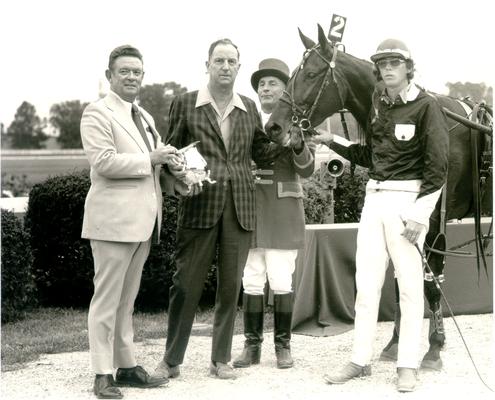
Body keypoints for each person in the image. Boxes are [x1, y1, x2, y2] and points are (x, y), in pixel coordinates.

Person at [313, 39, 449, 392]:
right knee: (368, 285)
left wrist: (421, 215)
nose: (388, 69)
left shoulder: (425, 105)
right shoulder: (378, 104)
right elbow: (369, 156)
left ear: (408, 68)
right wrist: (331, 140)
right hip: (374, 200)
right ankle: (359, 360)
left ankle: (407, 364)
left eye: (394, 63)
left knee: (409, 286)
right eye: (382, 64)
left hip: (408, 204)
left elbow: (438, 168)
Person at [152, 38, 288, 381]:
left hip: (240, 208)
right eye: (219, 61)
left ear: (239, 68)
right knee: (185, 286)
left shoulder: (249, 107)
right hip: (199, 205)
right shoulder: (184, 103)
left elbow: (261, 152)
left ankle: (221, 359)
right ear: (208, 65)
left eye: (231, 62)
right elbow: (172, 153)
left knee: (230, 288)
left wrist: (289, 140)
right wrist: (179, 173)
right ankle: (171, 361)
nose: (225, 67)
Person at [81, 45, 184, 399]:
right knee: (106, 300)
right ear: (110, 75)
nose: (131, 77)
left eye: (137, 72)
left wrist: (173, 166)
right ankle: (101, 374)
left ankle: (125, 366)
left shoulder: (144, 116)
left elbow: (151, 163)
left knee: (127, 301)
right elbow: (105, 162)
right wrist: (151, 156)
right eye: (124, 71)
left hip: (143, 223)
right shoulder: (97, 113)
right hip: (112, 223)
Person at [232, 58, 315, 369]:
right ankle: (251, 346)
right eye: (261, 84)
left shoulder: (298, 123)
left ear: (285, 91)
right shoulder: (246, 119)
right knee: (251, 278)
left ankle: (283, 346)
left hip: (282, 209)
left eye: (273, 84)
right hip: (250, 208)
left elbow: (305, 169)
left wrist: (296, 146)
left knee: (281, 279)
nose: (265, 88)